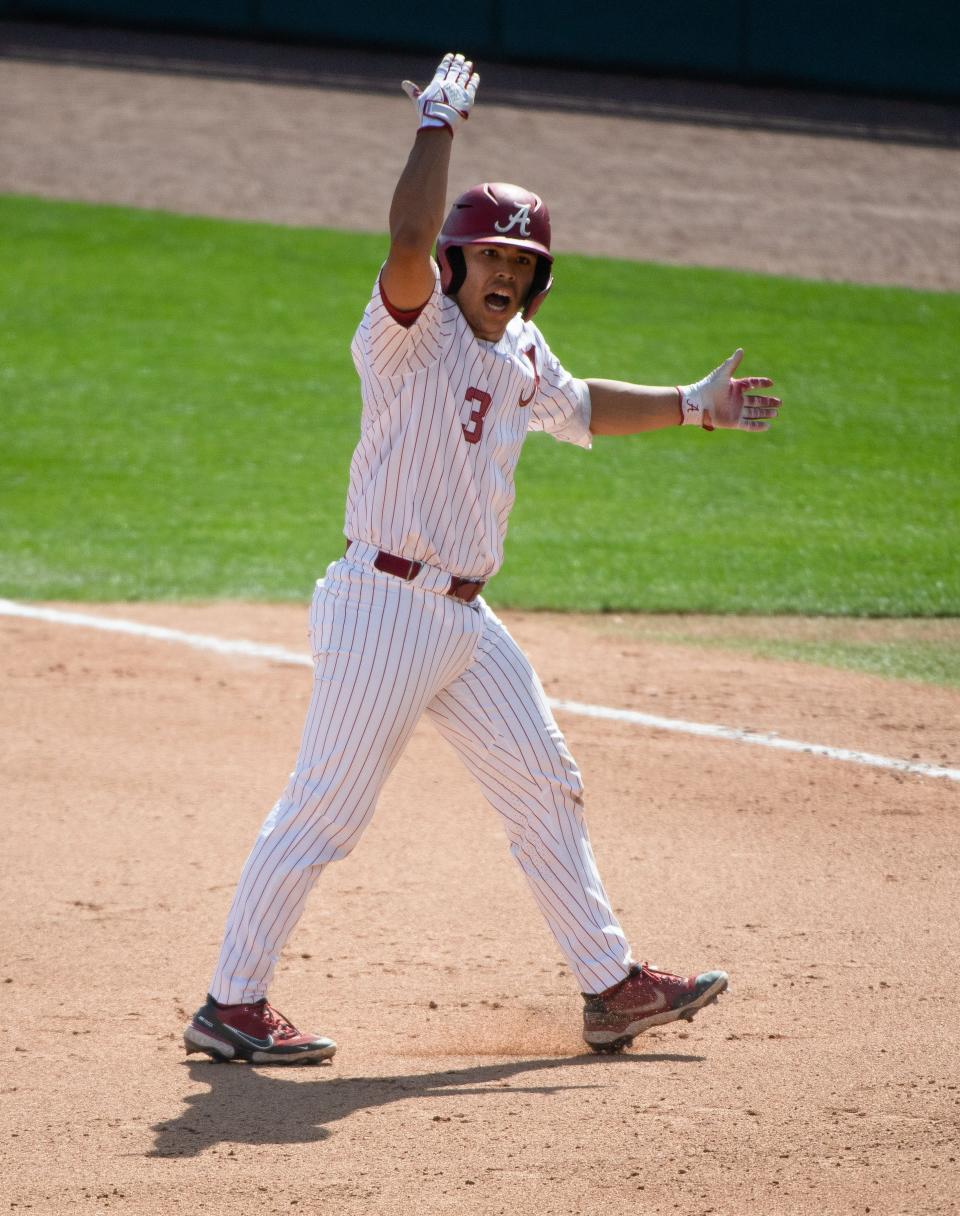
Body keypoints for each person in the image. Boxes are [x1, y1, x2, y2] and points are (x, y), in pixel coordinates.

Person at [184, 53, 780, 1064]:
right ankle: (231, 1004)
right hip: (382, 606)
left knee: (545, 780)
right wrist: (436, 120)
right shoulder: (407, 332)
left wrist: (691, 405)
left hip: (463, 620)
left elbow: (584, 407)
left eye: (522, 261)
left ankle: (611, 986)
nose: (506, 272)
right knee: (325, 810)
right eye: (491, 255)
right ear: (456, 263)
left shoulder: (519, 356)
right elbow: (408, 233)